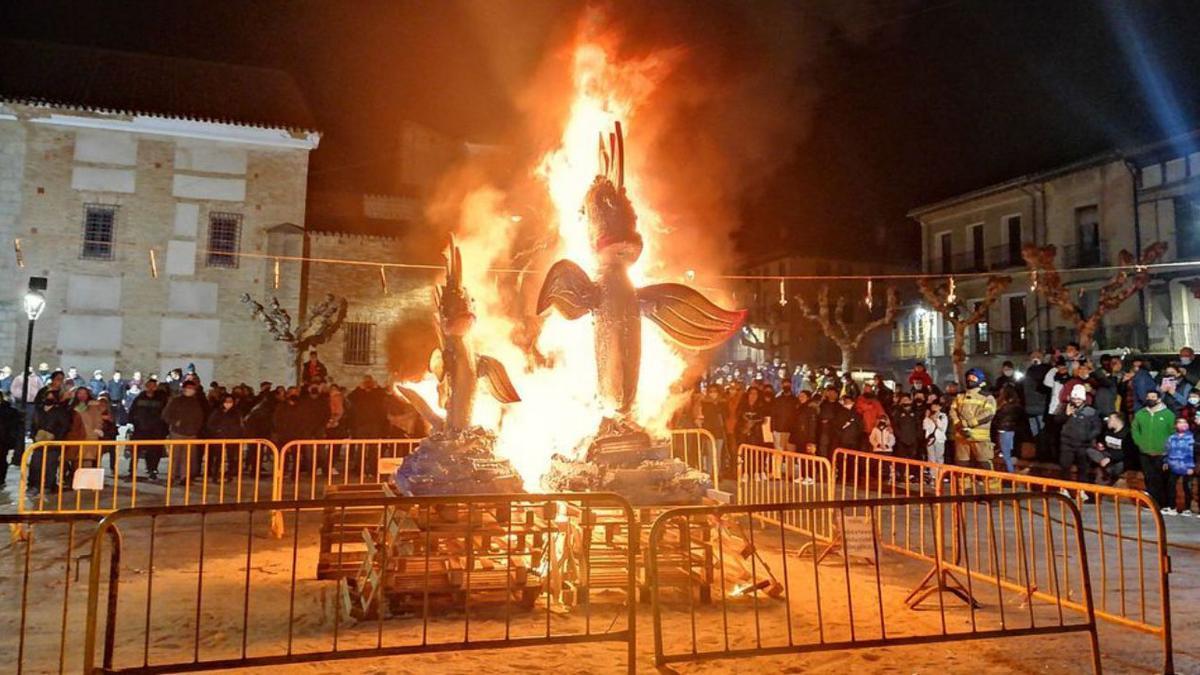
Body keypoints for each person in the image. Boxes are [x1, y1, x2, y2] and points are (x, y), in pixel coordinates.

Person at [1132, 390, 1174, 509]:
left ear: (1159, 399)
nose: (1150, 399)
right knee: (1149, 478)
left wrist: (1168, 450)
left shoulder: (1168, 415)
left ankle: (1163, 504)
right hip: (1145, 452)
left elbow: (1173, 433)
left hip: (1162, 453)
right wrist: (1140, 443)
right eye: (1148, 397)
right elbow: (1135, 430)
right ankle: (1151, 503)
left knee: (1161, 479)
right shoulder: (1140, 414)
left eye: (1153, 397)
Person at [951, 368, 997, 470]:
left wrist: (970, 423)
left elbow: (989, 413)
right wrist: (958, 423)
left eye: (973, 377)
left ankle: (992, 486)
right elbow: (953, 411)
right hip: (961, 436)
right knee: (962, 465)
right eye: (968, 377)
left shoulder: (987, 397)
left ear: (980, 380)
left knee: (985, 465)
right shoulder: (960, 396)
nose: (970, 380)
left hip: (980, 438)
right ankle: (964, 486)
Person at [162, 380, 207, 481]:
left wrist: (196, 428)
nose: (190, 390)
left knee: (188, 457)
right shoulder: (175, 401)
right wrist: (175, 422)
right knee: (175, 456)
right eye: (188, 388)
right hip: (177, 432)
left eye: (192, 389)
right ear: (183, 389)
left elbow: (200, 417)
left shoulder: (196, 402)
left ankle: (184, 476)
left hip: (191, 433)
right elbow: (165, 415)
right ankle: (172, 476)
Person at [1058, 384, 1102, 485]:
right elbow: (1056, 421)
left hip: (1083, 445)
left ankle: (1081, 491)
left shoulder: (1090, 411)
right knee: (1065, 466)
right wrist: (1066, 415)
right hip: (1067, 444)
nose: (1077, 401)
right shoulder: (1065, 407)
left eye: (1079, 398)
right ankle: (1065, 489)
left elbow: (1097, 427)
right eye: (1075, 398)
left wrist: (1088, 437)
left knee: (1083, 469)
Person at [128, 377, 169, 480]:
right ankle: (132, 471)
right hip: (140, 429)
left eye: (153, 386)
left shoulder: (161, 399)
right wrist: (132, 423)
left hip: (156, 430)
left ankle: (152, 470)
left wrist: (164, 428)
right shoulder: (139, 398)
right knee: (135, 451)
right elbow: (132, 412)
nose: (151, 388)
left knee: (154, 452)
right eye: (149, 386)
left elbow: (165, 414)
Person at [1162, 416, 1196, 516]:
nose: (1182, 424)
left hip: (1186, 466)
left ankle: (1187, 508)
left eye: (1184, 422)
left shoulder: (1191, 438)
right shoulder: (1171, 438)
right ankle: (1172, 507)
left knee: (1187, 487)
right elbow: (1167, 450)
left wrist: (1190, 466)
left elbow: (1191, 453)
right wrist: (1165, 461)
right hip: (1173, 465)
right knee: (1171, 486)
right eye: (1180, 422)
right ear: (1175, 425)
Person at [1090, 412, 1134, 486]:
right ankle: (1107, 470)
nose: (1108, 421)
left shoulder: (1127, 434)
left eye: (1110, 419)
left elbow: (1127, 452)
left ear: (1117, 420)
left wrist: (1110, 459)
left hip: (1119, 459)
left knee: (1118, 466)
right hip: (1106, 455)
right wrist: (1101, 445)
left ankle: (1109, 473)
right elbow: (1102, 442)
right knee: (1090, 451)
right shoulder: (1107, 431)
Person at [993, 384, 1025, 472]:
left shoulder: (1002, 406)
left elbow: (997, 419)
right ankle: (1013, 470)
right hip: (1013, 431)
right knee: (1011, 453)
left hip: (1004, 431)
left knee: (1006, 454)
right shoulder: (1017, 405)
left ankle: (1010, 473)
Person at [0, 394, 23, 484]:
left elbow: (14, 428)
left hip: (3, 440)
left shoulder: (10, 412)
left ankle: (1, 479)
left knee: (1, 459)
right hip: (4, 439)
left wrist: (10, 439)